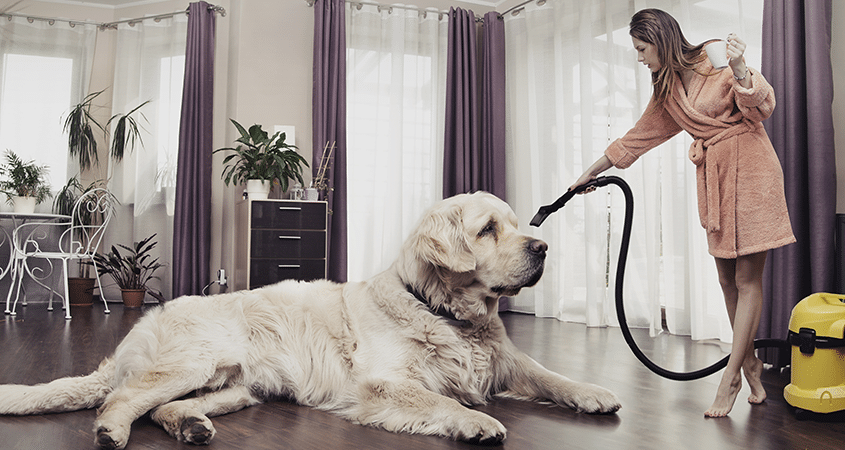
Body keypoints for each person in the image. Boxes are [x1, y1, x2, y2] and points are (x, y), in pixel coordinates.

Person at [570, 8, 795, 418]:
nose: (639, 58)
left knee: (747, 278)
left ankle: (730, 379)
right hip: (717, 178)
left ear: (660, 39)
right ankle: (750, 365)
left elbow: (762, 108)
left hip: (753, 170)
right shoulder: (669, 90)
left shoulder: (716, 60)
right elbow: (637, 137)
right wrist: (589, 173)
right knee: (726, 279)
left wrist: (743, 69)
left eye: (642, 48)